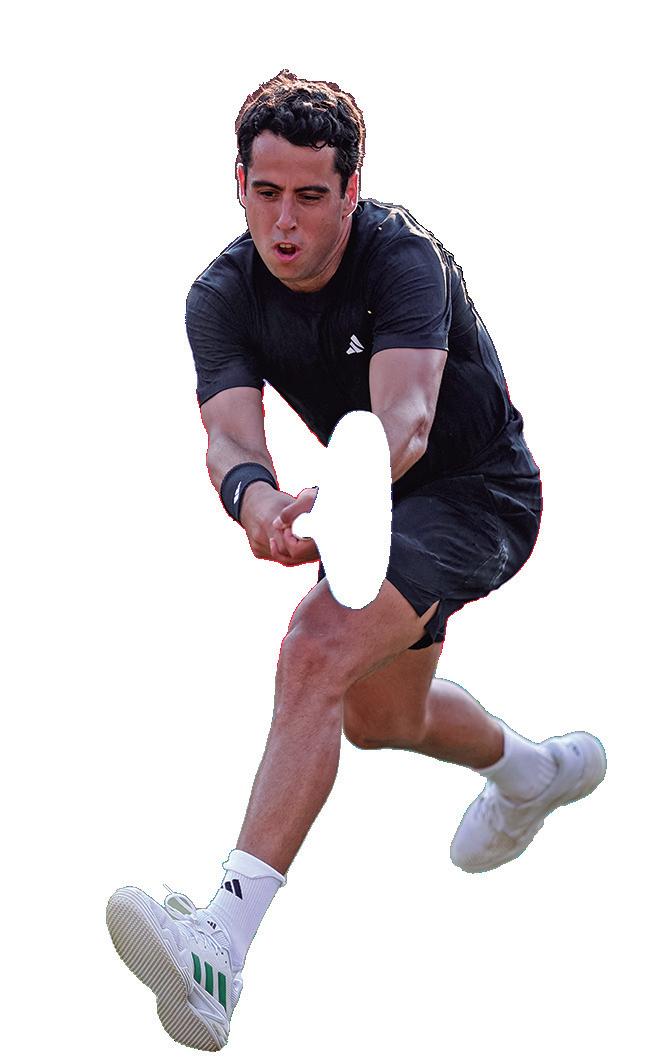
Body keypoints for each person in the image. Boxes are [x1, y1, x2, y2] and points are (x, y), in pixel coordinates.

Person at [106, 70, 607, 1052]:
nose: (284, 222)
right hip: (373, 505)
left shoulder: (401, 256)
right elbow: (229, 436)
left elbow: (404, 420)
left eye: (309, 195)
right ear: (238, 183)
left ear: (350, 189)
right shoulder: (220, 294)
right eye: (264, 192)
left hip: (477, 494)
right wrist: (255, 502)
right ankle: (532, 770)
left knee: (314, 641)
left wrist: (337, 503)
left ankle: (220, 946)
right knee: (380, 718)